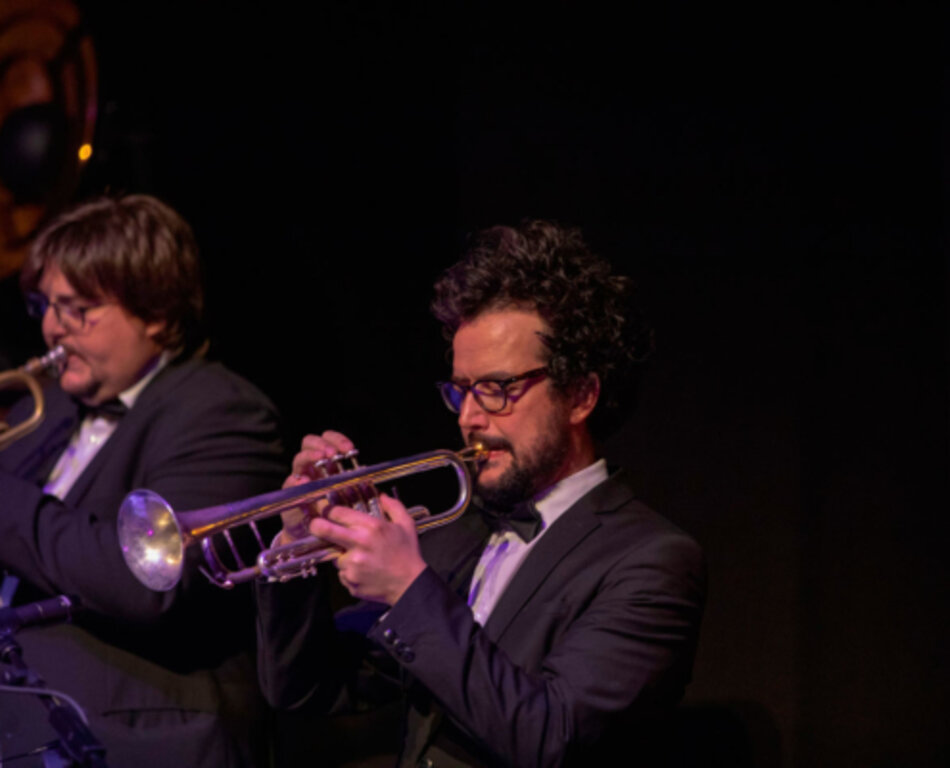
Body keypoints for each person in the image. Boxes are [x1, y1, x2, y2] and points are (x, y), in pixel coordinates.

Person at [257, 220, 706, 767]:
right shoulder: (454, 539)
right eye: (461, 391)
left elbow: (553, 739)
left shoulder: (651, 562)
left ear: (580, 396)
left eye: (496, 389)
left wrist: (408, 589)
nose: (469, 417)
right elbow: (307, 689)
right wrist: (298, 544)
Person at [0, 195, 286, 767]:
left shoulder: (221, 411)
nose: (52, 329)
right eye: (45, 306)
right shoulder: (43, 411)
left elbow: (147, 582)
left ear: (154, 313)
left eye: (78, 309)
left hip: (136, 740)